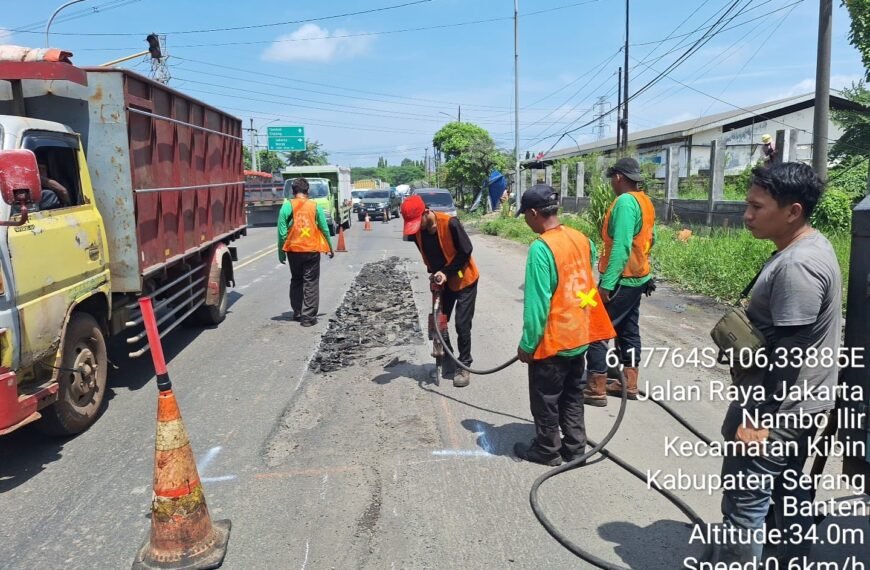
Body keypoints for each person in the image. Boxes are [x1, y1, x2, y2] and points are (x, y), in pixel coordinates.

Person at [716, 162, 841, 565]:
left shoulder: (797, 266)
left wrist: (755, 420)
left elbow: (789, 354)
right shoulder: (808, 246)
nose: (747, 215)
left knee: (745, 504)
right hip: (799, 404)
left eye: (757, 206)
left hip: (778, 408)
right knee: (787, 493)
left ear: (793, 211)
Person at [514, 185, 616, 466]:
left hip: (553, 341)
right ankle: (575, 447)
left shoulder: (541, 248)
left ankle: (547, 450)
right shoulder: (581, 239)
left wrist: (527, 345)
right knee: (572, 395)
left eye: (526, 215)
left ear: (534, 213)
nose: (525, 220)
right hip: (579, 335)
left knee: (546, 398)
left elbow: (537, 305)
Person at [584, 157, 656, 406]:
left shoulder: (625, 202)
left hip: (621, 280)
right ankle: (629, 382)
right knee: (627, 330)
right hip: (638, 278)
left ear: (619, 178)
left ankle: (596, 388)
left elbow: (622, 246)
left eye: (612, 179)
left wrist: (606, 285)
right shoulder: (644, 201)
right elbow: (650, 239)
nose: (612, 184)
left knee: (597, 331)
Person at [401, 194, 478, 388]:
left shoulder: (450, 223)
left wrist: (446, 272)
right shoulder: (416, 233)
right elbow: (429, 255)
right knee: (439, 323)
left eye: (419, 221)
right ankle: (449, 358)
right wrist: (435, 274)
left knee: (462, 324)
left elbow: (466, 251)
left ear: (426, 212)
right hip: (442, 281)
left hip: (464, 279)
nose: (417, 227)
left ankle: (464, 365)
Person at [277, 178, 334, 327]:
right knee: (311, 282)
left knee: (296, 279)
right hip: (311, 250)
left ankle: (297, 312)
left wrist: (281, 252)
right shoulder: (315, 207)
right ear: (307, 191)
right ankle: (308, 317)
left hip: (293, 250)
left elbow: (282, 233)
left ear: (293, 191)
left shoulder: (286, 207)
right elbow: (324, 228)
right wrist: (329, 247)